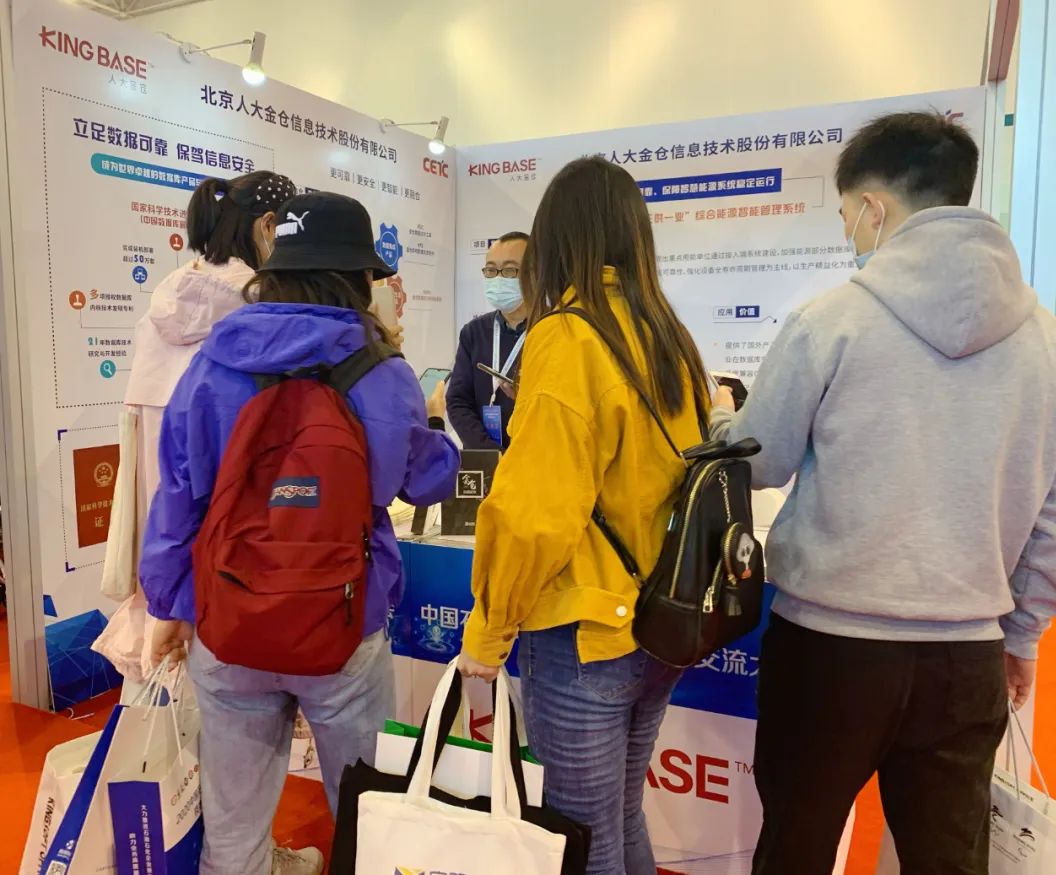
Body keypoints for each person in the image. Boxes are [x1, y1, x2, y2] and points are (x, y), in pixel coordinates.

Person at [710, 112, 1056, 875]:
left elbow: (760, 459)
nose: (848, 229)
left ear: (874, 207)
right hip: (967, 654)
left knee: (796, 849)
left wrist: (719, 419)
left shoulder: (829, 322)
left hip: (828, 647)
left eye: (846, 212)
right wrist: (1023, 633)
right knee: (947, 860)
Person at [140, 191, 460, 875]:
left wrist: (169, 604)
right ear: (358, 278)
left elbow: (178, 492)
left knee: (233, 827)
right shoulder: (381, 370)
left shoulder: (215, 359)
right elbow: (426, 482)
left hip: (228, 618)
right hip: (343, 620)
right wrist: (434, 423)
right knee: (369, 817)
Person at [457, 158, 710, 875]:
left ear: (556, 239)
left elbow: (535, 511)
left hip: (583, 631)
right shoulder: (666, 334)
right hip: (655, 621)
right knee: (618, 817)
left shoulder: (569, 336)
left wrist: (489, 629)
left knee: (579, 837)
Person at [93, 171, 298, 701]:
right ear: (269, 225)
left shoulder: (170, 291)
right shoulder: (260, 303)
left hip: (163, 540)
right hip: (234, 525)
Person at [447, 232, 529, 449]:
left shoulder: (551, 331)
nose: (498, 279)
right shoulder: (473, 332)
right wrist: (490, 454)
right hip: (485, 458)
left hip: (534, 458)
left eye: (509, 270)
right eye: (491, 270)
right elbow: (458, 401)